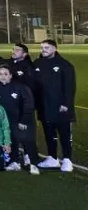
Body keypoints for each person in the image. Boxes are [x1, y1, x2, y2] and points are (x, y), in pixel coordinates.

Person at [32, 39, 76, 172]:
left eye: (47, 47)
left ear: (54, 49)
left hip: (61, 107)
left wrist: (66, 104)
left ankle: (67, 160)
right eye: (42, 47)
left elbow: (70, 87)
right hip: (44, 107)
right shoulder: (37, 63)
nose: (43, 50)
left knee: (64, 134)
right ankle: (52, 158)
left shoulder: (64, 65)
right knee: (49, 134)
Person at [0, 64, 39, 174]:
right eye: (0, 74)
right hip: (8, 121)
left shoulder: (21, 87)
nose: (3, 76)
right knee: (12, 141)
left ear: (10, 75)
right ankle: (15, 162)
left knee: (28, 142)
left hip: (22, 121)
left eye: (5, 74)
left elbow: (29, 104)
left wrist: (24, 120)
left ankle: (34, 164)